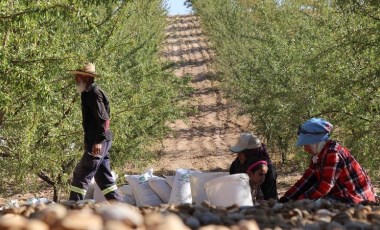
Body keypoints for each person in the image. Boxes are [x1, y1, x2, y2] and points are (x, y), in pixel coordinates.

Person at [279, 118, 376, 204]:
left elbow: (325, 185)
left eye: (306, 144)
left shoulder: (332, 153)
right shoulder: (319, 155)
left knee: (315, 204)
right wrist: (286, 199)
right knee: (308, 202)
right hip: (342, 196)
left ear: (314, 143)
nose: (305, 149)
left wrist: (301, 200)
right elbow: (306, 180)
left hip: (357, 199)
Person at [67, 63, 123, 201]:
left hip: (100, 141)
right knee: (104, 179)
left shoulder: (94, 93)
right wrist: (88, 142)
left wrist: (98, 142)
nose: (75, 79)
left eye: (77, 76)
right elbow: (90, 123)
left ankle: (74, 208)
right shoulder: (87, 93)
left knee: (81, 173)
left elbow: (104, 120)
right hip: (98, 140)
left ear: (85, 77)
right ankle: (120, 207)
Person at [229, 133, 278, 200]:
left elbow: (268, 199)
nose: (238, 155)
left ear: (250, 153)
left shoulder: (267, 171)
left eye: (241, 152)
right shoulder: (237, 165)